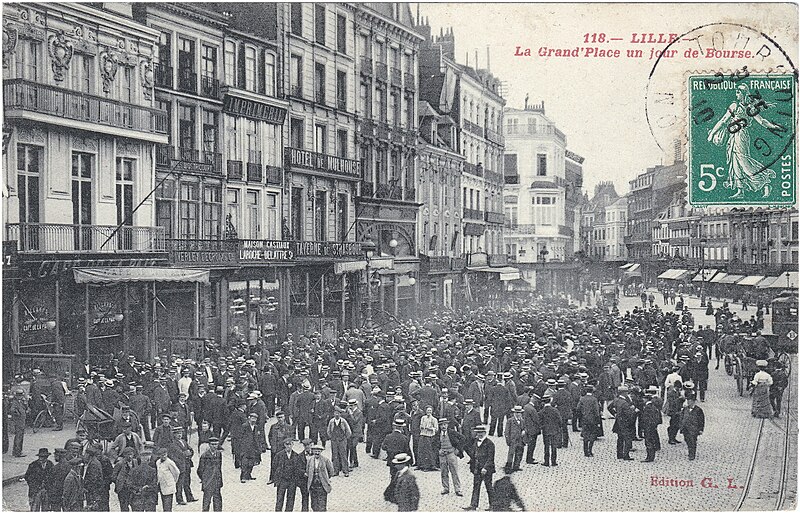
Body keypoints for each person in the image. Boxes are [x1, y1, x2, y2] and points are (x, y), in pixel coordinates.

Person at [463, 425, 495, 511]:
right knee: (476, 487)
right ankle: (473, 505)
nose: (479, 434)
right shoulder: (476, 442)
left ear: (485, 433)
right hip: (477, 469)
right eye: (478, 433)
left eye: (481, 433)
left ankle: (493, 505)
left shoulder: (490, 443)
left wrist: (485, 468)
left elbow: (490, 458)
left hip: (486, 470)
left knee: (489, 487)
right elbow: (473, 454)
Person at [435, 417, 464, 496]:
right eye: (441, 425)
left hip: (451, 454)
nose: (443, 426)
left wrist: (458, 449)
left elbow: (462, 438)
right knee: (444, 472)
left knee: (454, 471)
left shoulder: (452, 432)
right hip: (442, 455)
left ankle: (458, 489)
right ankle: (445, 488)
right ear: (439, 426)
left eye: (445, 424)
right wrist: (438, 450)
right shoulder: (437, 434)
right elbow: (433, 444)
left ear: (447, 425)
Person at [273, 438, 303, 511]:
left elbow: (298, 468)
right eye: (287, 444)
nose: (288, 446)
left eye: (290, 444)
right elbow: (274, 467)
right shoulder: (279, 455)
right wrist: (276, 479)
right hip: (282, 480)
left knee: (291, 498)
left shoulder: (296, 455)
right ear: (284, 445)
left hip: (292, 481)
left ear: (292, 445)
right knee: (280, 498)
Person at [197, 436, 224, 512]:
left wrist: (219, 479)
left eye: (216, 444)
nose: (214, 446)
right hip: (208, 483)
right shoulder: (204, 456)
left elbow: (219, 468)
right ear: (209, 445)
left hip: (216, 482)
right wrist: (205, 479)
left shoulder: (219, 454)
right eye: (212, 444)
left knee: (218, 502)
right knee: (206, 503)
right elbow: (199, 470)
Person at [238, 411, 265, 482]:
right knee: (244, 462)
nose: (253, 420)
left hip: (253, 447)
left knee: (251, 462)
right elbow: (240, 437)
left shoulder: (256, 427)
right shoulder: (245, 426)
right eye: (252, 418)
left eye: (255, 419)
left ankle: (248, 475)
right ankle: (243, 477)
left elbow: (258, 437)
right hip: (245, 447)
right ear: (249, 418)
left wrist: (260, 446)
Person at [307, 444, 334, 511]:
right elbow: (307, 471)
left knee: (322, 505)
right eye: (315, 451)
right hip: (313, 485)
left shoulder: (325, 460)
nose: (317, 453)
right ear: (313, 452)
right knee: (314, 504)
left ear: (321, 452)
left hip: (322, 485)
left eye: (318, 451)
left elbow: (331, 471)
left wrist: (325, 478)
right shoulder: (310, 460)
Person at [326, 407, 352, 477]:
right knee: (335, 456)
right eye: (335, 413)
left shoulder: (343, 421)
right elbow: (328, 431)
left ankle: (345, 471)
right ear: (333, 414)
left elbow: (348, 431)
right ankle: (335, 471)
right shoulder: (331, 421)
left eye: (338, 413)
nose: (337, 414)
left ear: (340, 414)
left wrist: (345, 438)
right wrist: (331, 438)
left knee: (343, 456)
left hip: (342, 440)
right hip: (334, 440)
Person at [679, 392, 705, 461]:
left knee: (693, 441)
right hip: (686, 428)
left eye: (689, 401)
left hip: (694, 429)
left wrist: (701, 429)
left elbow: (701, 420)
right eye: (687, 401)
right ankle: (690, 451)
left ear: (693, 401)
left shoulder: (698, 410)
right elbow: (682, 417)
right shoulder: (685, 409)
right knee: (687, 440)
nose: (688, 402)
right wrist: (681, 426)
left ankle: (692, 454)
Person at [577, 385, 601, 457]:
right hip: (592, 420)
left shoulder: (582, 399)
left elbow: (578, 408)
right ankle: (590, 450)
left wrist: (581, 415)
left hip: (584, 419)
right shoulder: (594, 399)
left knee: (585, 435)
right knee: (592, 435)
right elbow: (597, 411)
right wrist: (598, 420)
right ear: (592, 391)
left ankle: (585, 452)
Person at [641, 386, 663, 462]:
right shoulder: (651, 406)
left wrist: (645, 426)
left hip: (648, 427)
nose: (642, 400)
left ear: (647, 399)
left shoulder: (648, 407)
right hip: (651, 426)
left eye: (644, 398)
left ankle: (650, 457)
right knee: (650, 440)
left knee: (648, 441)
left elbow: (647, 418)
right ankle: (650, 456)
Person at [539, 395, 562, 467]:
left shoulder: (542, 411)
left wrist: (542, 427)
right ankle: (554, 462)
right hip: (554, 430)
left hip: (546, 431)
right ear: (550, 401)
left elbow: (540, 421)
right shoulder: (555, 410)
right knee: (553, 446)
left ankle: (546, 462)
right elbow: (559, 420)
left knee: (546, 446)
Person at [112, 447, 138, 511]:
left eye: (131, 454)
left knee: (135, 506)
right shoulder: (119, 464)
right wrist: (120, 483)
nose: (130, 456)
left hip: (133, 489)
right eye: (128, 454)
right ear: (124, 455)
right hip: (123, 489)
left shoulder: (135, 462)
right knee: (124, 508)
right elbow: (113, 477)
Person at [155, 447, 181, 511]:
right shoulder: (158, 462)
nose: (164, 456)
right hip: (161, 486)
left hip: (169, 486)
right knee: (164, 505)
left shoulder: (169, 462)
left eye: (165, 454)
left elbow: (177, 472)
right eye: (162, 455)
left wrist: (173, 482)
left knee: (167, 507)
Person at [416, 405, 439, 471]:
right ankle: (420, 465)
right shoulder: (423, 418)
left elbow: (436, 429)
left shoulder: (434, 419)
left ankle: (429, 466)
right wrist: (422, 427)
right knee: (421, 450)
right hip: (423, 434)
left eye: (430, 410)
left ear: (432, 411)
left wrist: (430, 429)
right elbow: (420, 425)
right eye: (428, 410)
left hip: (430, 436)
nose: (429, 412)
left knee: (428, 451)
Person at [503, 405, 525, 473]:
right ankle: (508, 467)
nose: (518, 414)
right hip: (513, 440)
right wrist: (508, 440)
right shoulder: (510, 421)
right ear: (514, 413)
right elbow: (506, 431)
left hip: (520, 440)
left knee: (519, 453)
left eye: (519, 413)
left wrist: (524, 431)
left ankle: (516, 466)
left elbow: (524, 428)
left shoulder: (522, 421)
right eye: (517, 413)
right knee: (511, 454)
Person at [10, 388, 27, 457]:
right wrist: (18, 414)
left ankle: (17, 451)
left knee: (20, 437)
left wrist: (25, 404)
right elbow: (12, 410)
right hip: (18, 422)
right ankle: (17, 452)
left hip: (22, 421)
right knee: (18, 437)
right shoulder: (15, 402)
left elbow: (26, 408)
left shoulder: (21, 401)